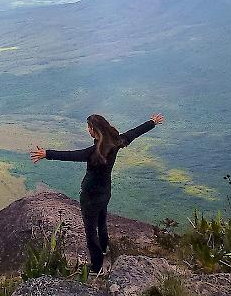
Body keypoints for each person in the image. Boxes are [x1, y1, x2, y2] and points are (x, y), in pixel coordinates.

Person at [29, 113, 164, 273]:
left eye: (89, 127)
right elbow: (134, 133)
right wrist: (152, 123)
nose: (88, 130)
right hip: (105, 192)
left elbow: (71, 155)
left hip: (90, 197)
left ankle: (96, 266)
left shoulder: (94, 151)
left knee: (90, 230)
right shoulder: (116, 142)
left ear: (94, 130)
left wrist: (47, 154)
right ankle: (105, 248)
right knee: (101, 221)